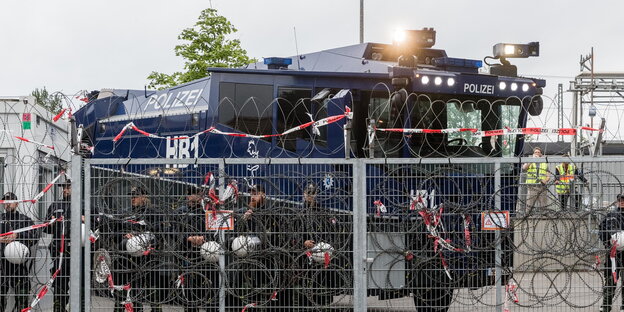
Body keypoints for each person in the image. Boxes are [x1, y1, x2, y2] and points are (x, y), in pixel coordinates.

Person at [109, 186, 166, 312]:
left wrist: (139, 237)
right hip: (125, 258)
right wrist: (124, 236)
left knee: (148, 289)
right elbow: (115, 234)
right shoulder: (125, 213)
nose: (133, 198)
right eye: (131, 196)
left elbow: (159, 235)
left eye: (136, 196)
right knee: (122, 289)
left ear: (144, 197)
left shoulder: (153, 213)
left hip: (147, 259)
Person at [176, 187, 219, 311]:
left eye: (195, 194)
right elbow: (172, 232)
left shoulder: (209, 212)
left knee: (212, 290)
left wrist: (203, 238)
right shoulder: (180, 212)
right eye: (189, 194)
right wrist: (188, 238)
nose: (192, 197)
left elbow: (216, 233)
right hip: (187, 256)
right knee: (190, 293)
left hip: (207, 256)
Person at [0, 192, 37, 312]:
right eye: (5, 201)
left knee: (22, 291)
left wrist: (17, 235)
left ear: (17, 203)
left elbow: (34, 236)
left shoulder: (24, 220)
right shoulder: (0, 219)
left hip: (19, 264)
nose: (8, 204)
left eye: (10, 201)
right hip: (1, 263)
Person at [44, 179, 74, 312]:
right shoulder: (56, 205)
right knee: (60, 281)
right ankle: (59, 307)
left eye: (68, 187)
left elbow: (96, 223)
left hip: (78, 249)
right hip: (58, 248)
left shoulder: (83, 204)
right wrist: (51, 223)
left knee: (81, 281)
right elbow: (45, 228)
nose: (65, 190)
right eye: (64, 188)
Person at [599, 194, 624, 312]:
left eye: (623, 200)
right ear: (617, 201)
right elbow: (602, 229)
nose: (622, 202)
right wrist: (607, 242)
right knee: (610, 278)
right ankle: (606, 305)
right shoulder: (611, 215)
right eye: (620, 200)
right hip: (613, 253)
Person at [521, 147, 551, 212]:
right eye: (535, 152)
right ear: (533, 154)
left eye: (538, 152)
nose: (537, 153)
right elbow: (524, 168)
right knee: (530, 204)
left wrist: (545, 180)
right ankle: (528, 217)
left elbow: (548, 175)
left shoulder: (544, 163)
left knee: (543, 204)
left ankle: (544, 216)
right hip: (532, 186)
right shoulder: (529, 161)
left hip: (542, 187)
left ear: (541, 154)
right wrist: (532, 160)